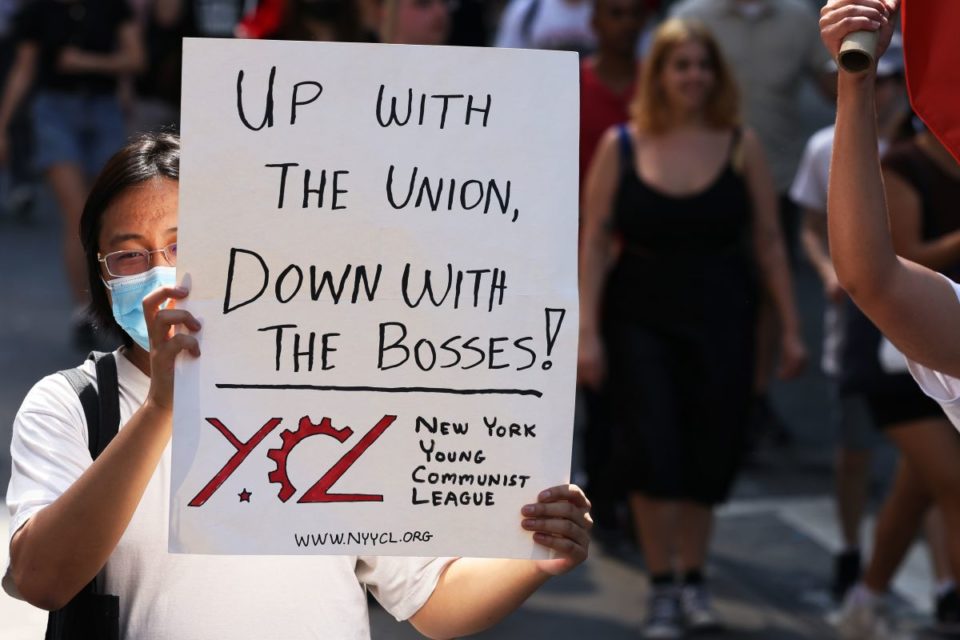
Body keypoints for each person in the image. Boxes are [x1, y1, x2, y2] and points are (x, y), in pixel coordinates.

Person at [3, 132, 593, 639]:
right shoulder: (71, 407)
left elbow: (431, 602)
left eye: (184, 244)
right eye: (128, 257)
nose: (161, 270)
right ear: (101, 274)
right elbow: (41, 580)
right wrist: (162, 407)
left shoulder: (333, 394)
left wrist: (535, 558)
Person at [579, 18, 806, 638]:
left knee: (711, 449)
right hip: (639, 317)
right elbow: (596, 240)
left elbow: (767, 242)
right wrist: (587, 331)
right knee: (653, 451)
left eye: (703, 65)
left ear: (717, 75)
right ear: (661, 75)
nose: (694, 76)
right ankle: (661, 586)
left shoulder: (741, 144)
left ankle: (696, 580)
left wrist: (789, 327)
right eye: (681, 65)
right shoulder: (622, 144)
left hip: (723, 316)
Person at [821, 0, 960, 636]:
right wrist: (855, 84)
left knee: (922, 485)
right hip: (881, 364)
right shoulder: (903, 165)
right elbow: (871, 275)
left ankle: (873, 594)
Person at [792, 42, 912, 601]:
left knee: (926, 454)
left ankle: (938, 582)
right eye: (871, 74)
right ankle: (848, 547)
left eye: (890, 79)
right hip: (858, 322)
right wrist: (826, 271)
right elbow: (811, 226)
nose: (881, 87)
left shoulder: (921, 144)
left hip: (915, 313)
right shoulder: (824, 146)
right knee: (855, 444)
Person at [0, 0, 144, 347]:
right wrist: (3, 124)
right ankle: (84, 308)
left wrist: (88, 62)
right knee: (78, 214)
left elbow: (136, 59)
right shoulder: (38, 11)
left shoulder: (111, 9)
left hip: (103, 109)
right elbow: (24, 68)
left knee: (109, 216)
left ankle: (115, 304)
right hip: (54, 112)